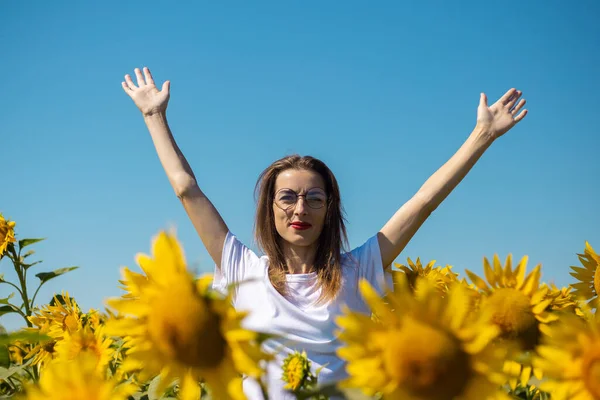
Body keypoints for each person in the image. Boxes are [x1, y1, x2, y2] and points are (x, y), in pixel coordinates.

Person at [121, 67, 528, 399]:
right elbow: (186, 189)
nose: (300, 209)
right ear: (270, 208)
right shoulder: (239, 265)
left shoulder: (360, 268)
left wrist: (482, 136)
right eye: (288, 197)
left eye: (314, 198)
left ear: (330, 210)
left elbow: (423, 202)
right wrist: (154, 116)